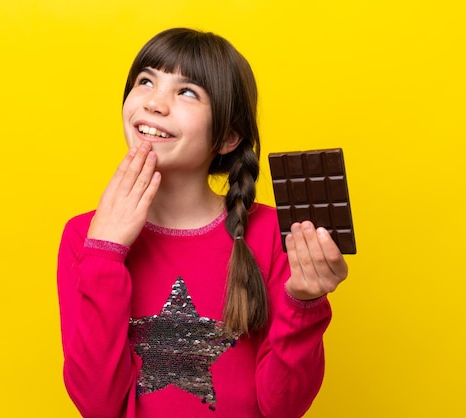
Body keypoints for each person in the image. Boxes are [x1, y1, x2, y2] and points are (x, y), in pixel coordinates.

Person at [57, 27, 348, 417]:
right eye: (145, 81)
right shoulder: (85, 236)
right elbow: (98, 406)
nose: (155, 103)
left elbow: (282, 408)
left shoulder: (272, 235)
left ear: (227, 136)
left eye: (187, 91)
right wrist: (105, 254)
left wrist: (305, 304)